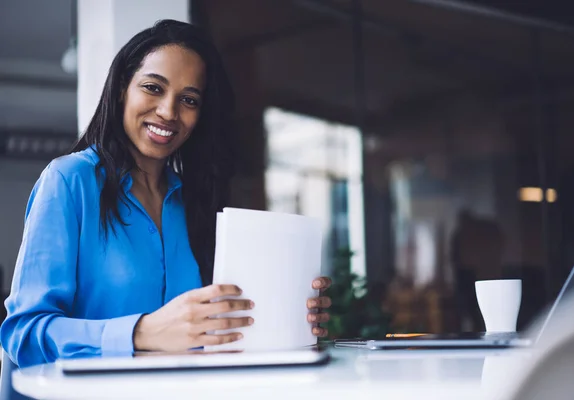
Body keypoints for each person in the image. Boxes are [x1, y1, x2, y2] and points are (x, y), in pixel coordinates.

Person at [0, 20, 332, 368]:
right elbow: (24, 335)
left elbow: (217, 330)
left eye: (189, 99)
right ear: (121, 90)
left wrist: (291, 315)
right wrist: (141, 333)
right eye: (153, 88)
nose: (169, 112)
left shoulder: (195, 201)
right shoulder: (69, 181)